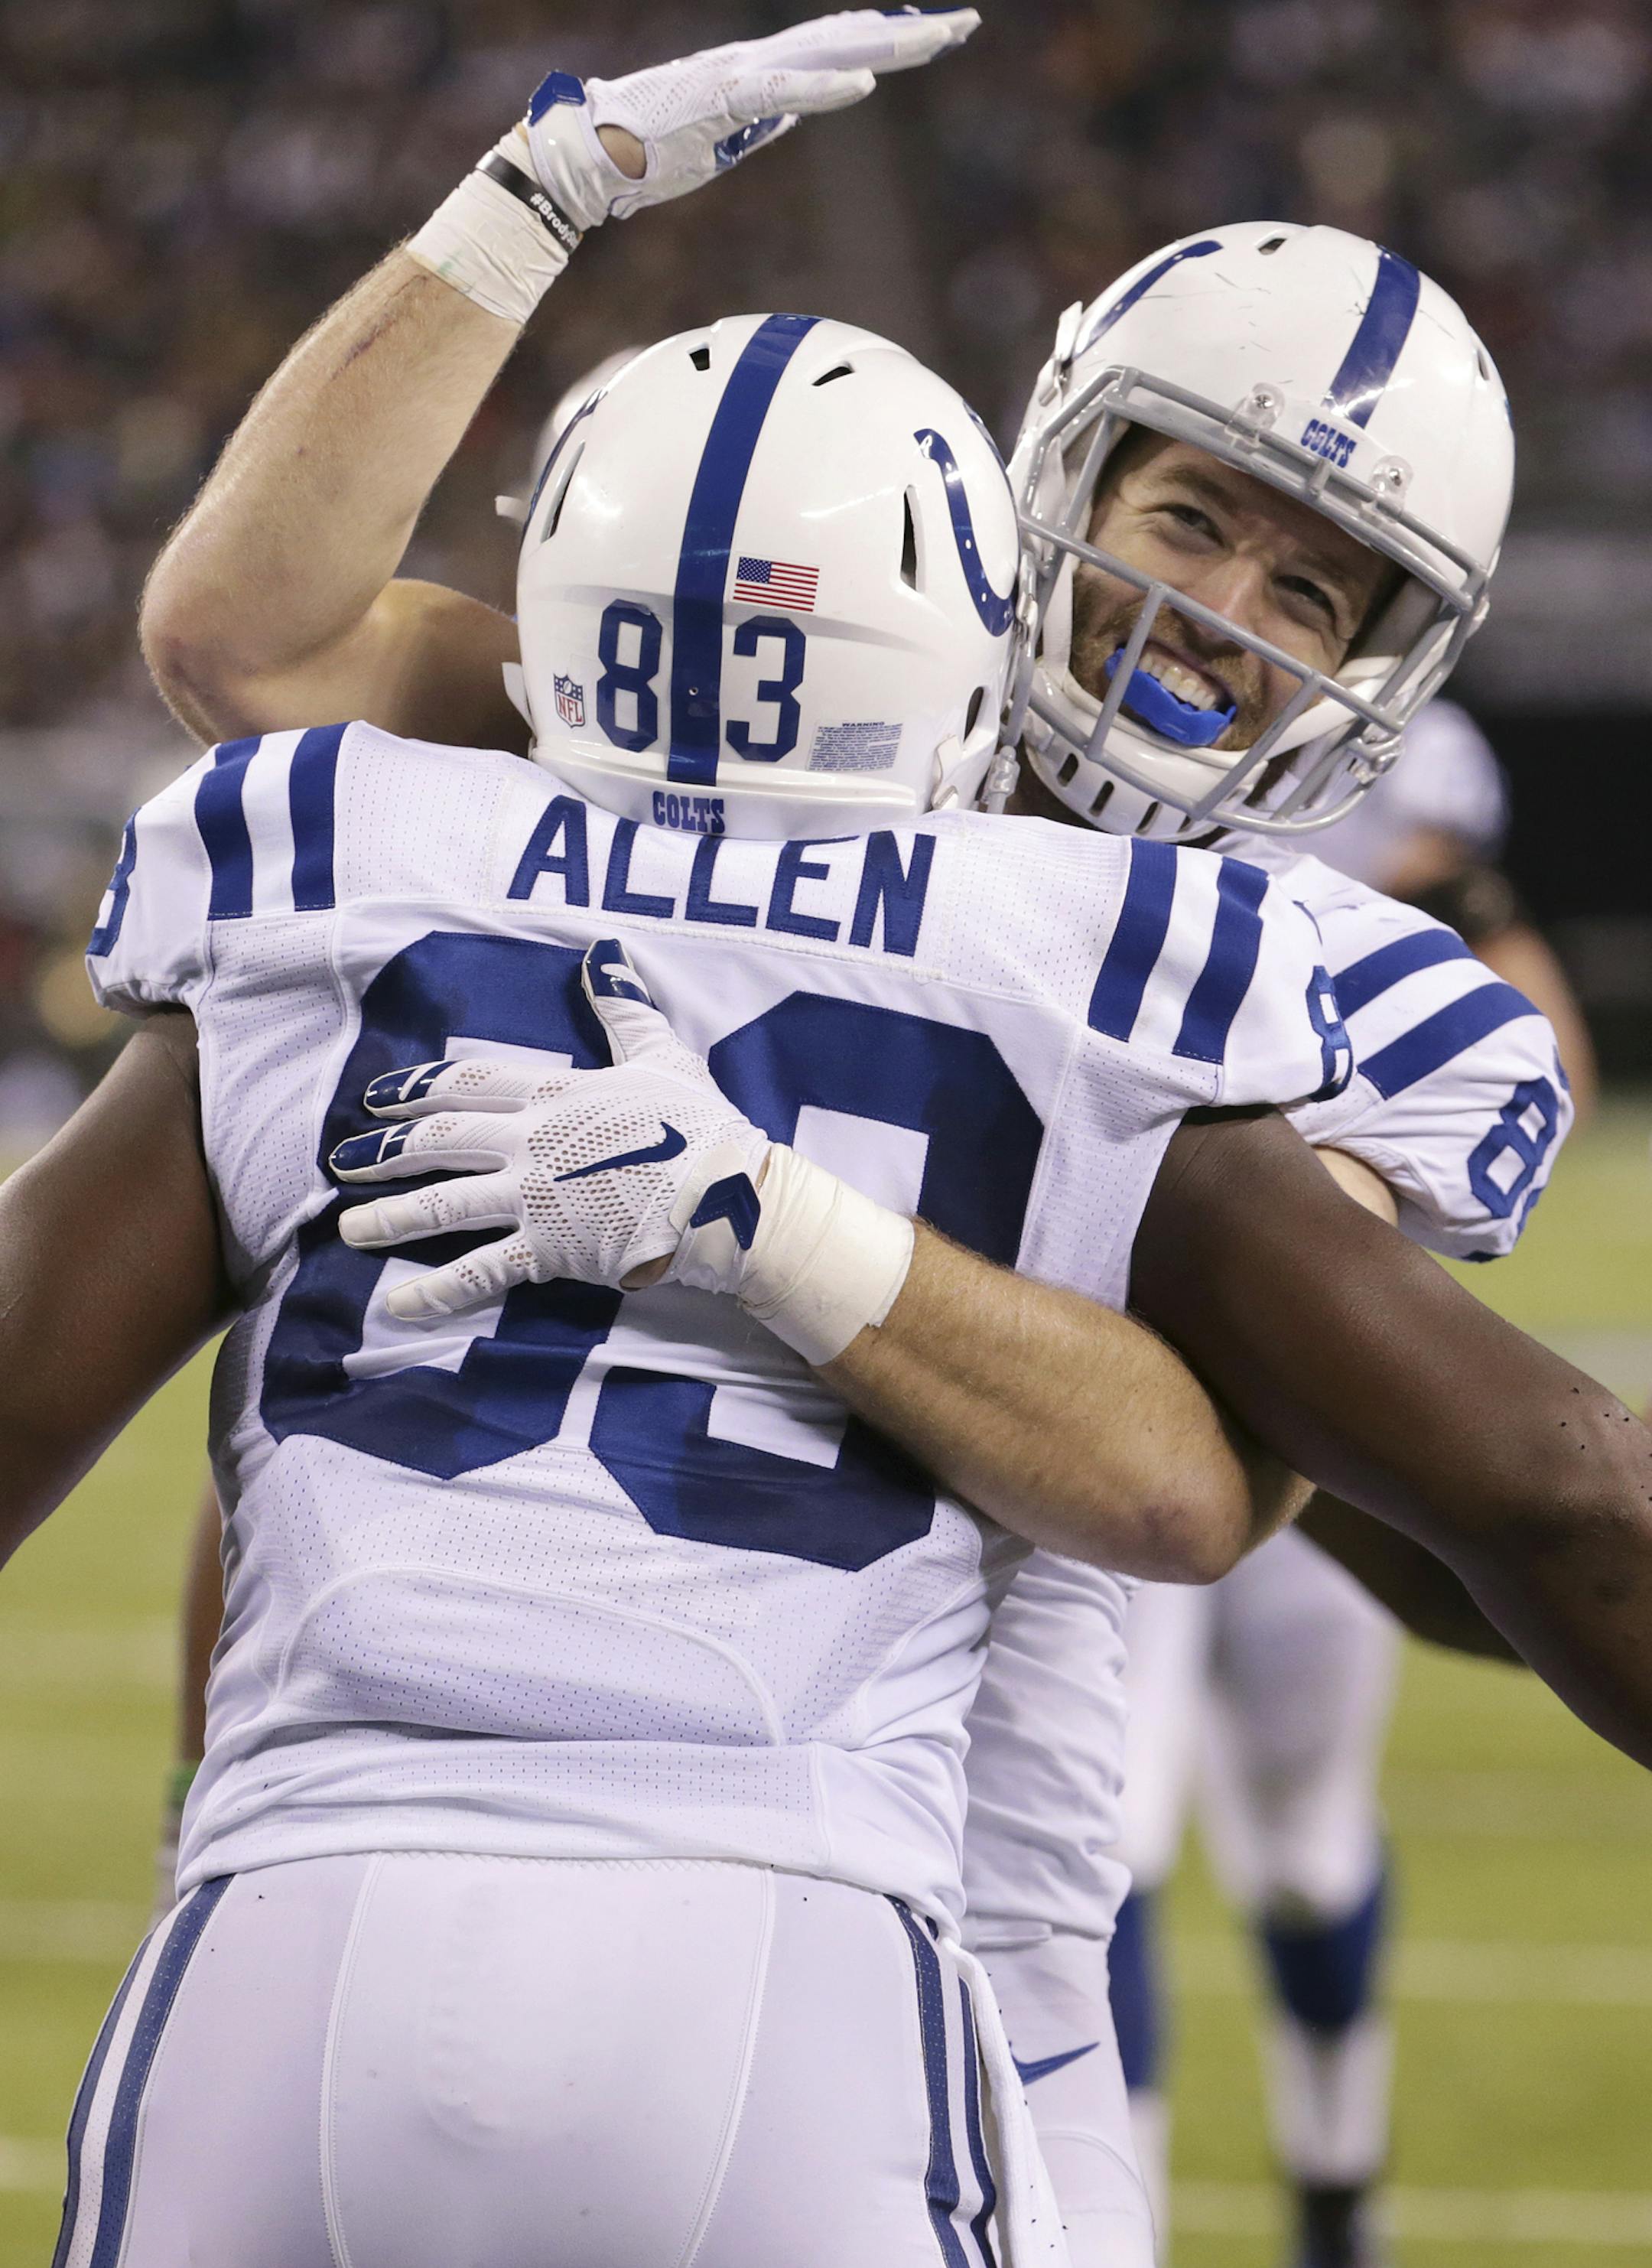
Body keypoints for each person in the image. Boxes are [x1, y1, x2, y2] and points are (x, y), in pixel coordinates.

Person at [130, 27, 1638, 2268]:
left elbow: (1265, 1489)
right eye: (1194, 513)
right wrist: (529, 204)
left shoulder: (1249, 959)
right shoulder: (748, 691)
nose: (1224, 619)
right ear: (1059, 479)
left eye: (1314, 596)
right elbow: (242, 641)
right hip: (571, 1820)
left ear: (1385, 669)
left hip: (944, 1934)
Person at [1106, 696, 1596, 2267]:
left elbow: (1540, 1065)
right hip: (1117, 1379)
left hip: (1316, 1378)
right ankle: (1115, 2221)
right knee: (1108, 1842)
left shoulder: (1417, 763)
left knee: (1308, 1844)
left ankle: (1337, 2191)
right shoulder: (1060, 749)